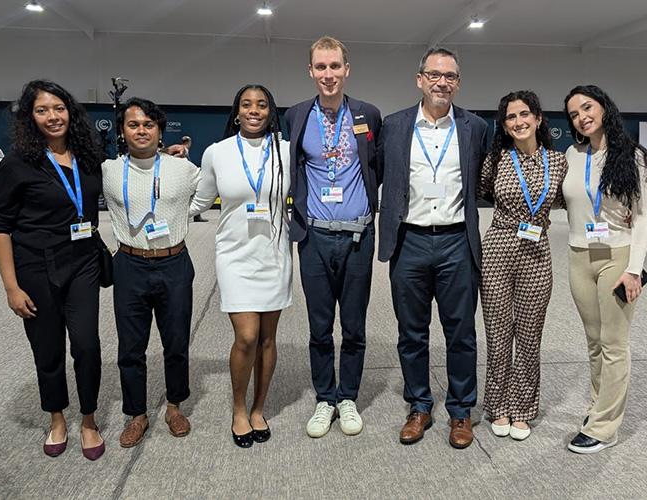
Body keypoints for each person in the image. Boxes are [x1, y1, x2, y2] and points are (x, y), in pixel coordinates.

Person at [378, 47, 488, 449]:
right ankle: (419, 406)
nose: (443, 82)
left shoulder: (475, 127)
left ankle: (461, 412)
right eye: (435, 75)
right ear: (419, 79)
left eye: (451, 76)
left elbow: (482, 178)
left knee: (461, 332)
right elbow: (379, 173)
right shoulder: (394, 126)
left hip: (458, 242)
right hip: (409, 240)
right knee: (412, 332)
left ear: (458, 82)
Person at [0, 80, 105, 460]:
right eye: (42, 110)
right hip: (36, 267)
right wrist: (11, 287)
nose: (53, 116)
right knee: (48, 349)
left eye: (59, 108)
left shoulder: (88, 156)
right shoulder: (18, 163)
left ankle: (88, 419)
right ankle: (57, 417)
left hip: (83, 262)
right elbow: (0, 227)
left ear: (70, 111)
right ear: (30, 117)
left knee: (87, 345)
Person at [284, 36, 382, 438]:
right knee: (320, 326)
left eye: (335, 66)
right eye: (320, 67)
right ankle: (325, 398)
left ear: (347, 69)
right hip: (316, 238)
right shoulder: (295, 116)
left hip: (358, 236)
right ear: (310, 71)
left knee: (355, 326)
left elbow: (380, 166)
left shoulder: (367, 114)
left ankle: (349, 397)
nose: (328, 74)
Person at [190, 84, 291, 448]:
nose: (254, 110)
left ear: (270, 112)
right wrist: (164, 215)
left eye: (262, 105)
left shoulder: (286, 151)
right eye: (247, 104)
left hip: (275, 254)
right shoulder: (217, 152)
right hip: (234, 254)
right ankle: (238, 408)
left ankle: (259, 407)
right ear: (236, 111)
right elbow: (200, 200)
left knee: (267, 338)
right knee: (246, 336)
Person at [102, 97, 200, 448]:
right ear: (122, 132)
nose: (141, 130)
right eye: (133, 124)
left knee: (176, 342)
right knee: (131, 347)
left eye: (148, 124)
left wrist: (184, 217)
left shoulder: (183, 169)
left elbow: (207, 194)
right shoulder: (109, 170)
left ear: (159, 130)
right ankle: (136, 414)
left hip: (174, 262)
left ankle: (175, 406)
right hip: (129, 263)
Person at [563, 85, 647, 454]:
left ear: (604, 109)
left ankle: (604, 428)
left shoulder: (632, 156)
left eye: (587, 107)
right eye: (573, 113)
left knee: (615, 343)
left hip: (617, 256)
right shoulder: (572, 153)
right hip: (578, 255)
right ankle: (598, 407)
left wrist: (634, 269)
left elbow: (644, 218)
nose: (582, 116)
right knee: (594, 341)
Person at [479, 91, 568, 441]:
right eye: (510, 117)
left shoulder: (558, 161)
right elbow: (484, 190)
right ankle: (498, 404)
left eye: (524, 114)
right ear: (504, 125)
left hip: (536, 251)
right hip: (499, 246)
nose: (518, 122)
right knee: (499, 333)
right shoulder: (497, 159)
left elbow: (566, 198)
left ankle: (524, 408)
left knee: (530, 336)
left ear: (538, 118)